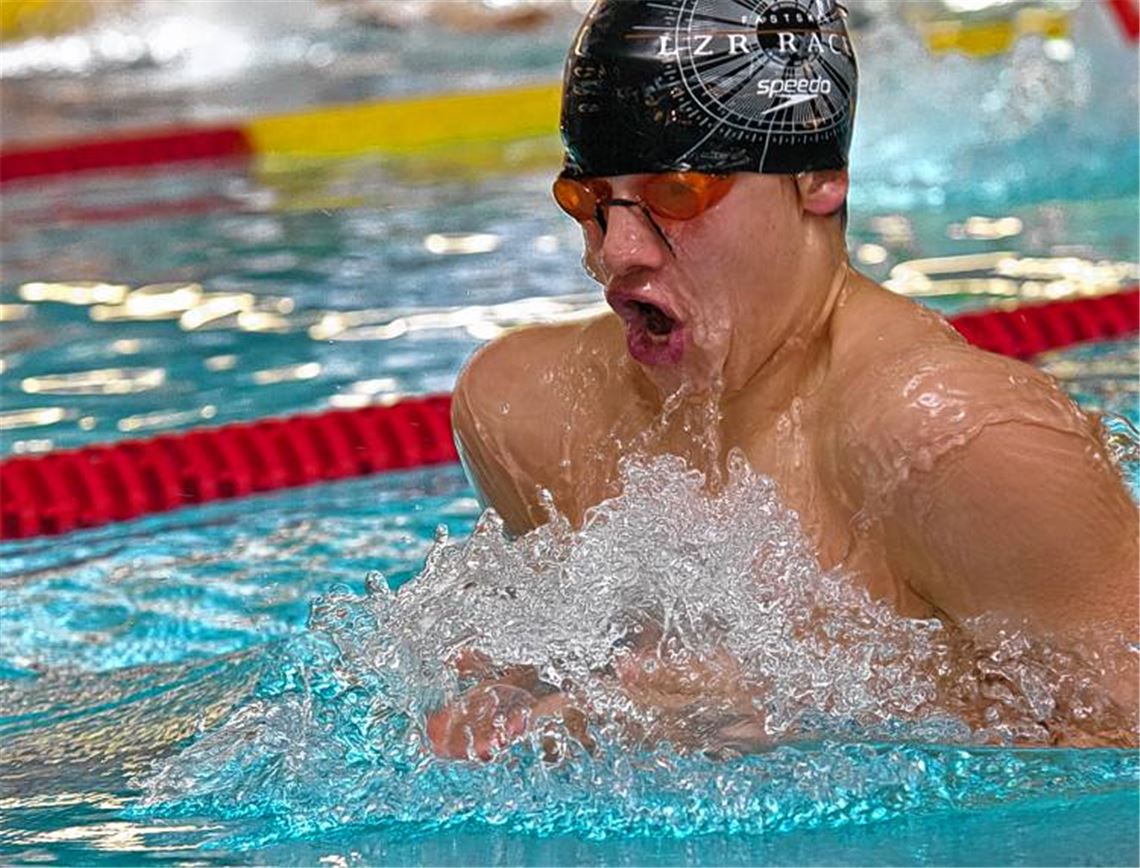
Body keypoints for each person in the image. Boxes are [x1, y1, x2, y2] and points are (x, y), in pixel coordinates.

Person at [428, 0, 1139, 757]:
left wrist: (807, 725)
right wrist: (537, 704)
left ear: (817, 180)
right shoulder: (531, 413)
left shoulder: (951, 440)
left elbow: (1120, 749)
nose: (615, 253)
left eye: (678, 193)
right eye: (591, 201)